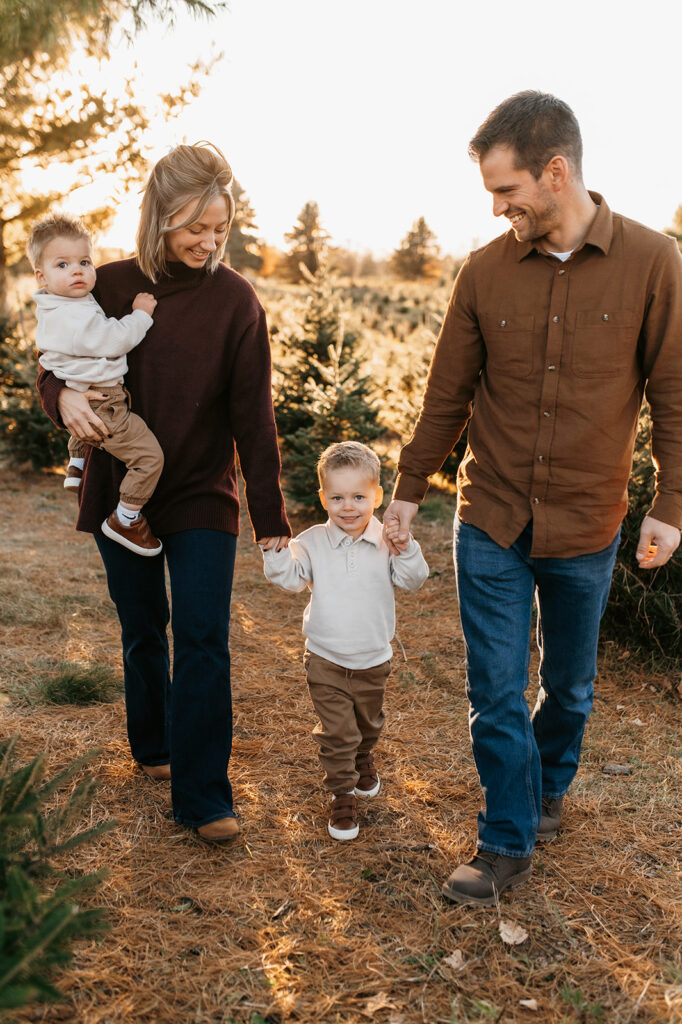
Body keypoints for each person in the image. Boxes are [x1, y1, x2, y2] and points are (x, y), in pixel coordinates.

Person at [383, 91, 682, 905]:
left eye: (507, 189)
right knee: (494, 690)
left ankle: (548, 789)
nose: (497, 206)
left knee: (571, 688)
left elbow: (675, 394)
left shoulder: (656, 263)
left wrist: (671, 503)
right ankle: (505, 838)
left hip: (589, 520)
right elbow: (446, 394)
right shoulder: (484, 272)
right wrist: (408, 491)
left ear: (556, 173)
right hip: (492, 518)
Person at [38, 142, 290, 844]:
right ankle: (152, 746)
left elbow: (253, 414)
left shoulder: (237, 301)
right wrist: (60, 398)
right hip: (124, 490)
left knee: (204, 636)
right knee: (144, 627)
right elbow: (52, 356)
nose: (208, 244)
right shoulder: (109, 285)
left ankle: (204, 795)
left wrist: (269, 516)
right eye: (193, 229)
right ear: (160, 217)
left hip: (202, 490)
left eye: (219, 229)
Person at [262, 441, 429, 841]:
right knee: (337, 731)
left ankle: (363, 756)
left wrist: (406, 549)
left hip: (373, 657)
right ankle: (342, 793)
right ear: (324, 498)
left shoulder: (388, 540)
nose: (348, 507)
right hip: (325, 657)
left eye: (358, 497)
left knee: (367, 725)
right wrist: (276, 552)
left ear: (376, 496)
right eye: (337, 497)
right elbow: (291, 579)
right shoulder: (313, 540)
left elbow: (414, 580)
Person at [29, 212, 164, 556]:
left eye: (84, 261)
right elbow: (113, 340)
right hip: (105, 404)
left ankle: (76, 462)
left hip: (83, 392)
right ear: (40, 277)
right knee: (149, 458)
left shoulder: (57, 304)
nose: (77, 270)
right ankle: (126, 518)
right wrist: (140, 315)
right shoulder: (73, 316)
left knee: (83, 400)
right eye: (63, 264)